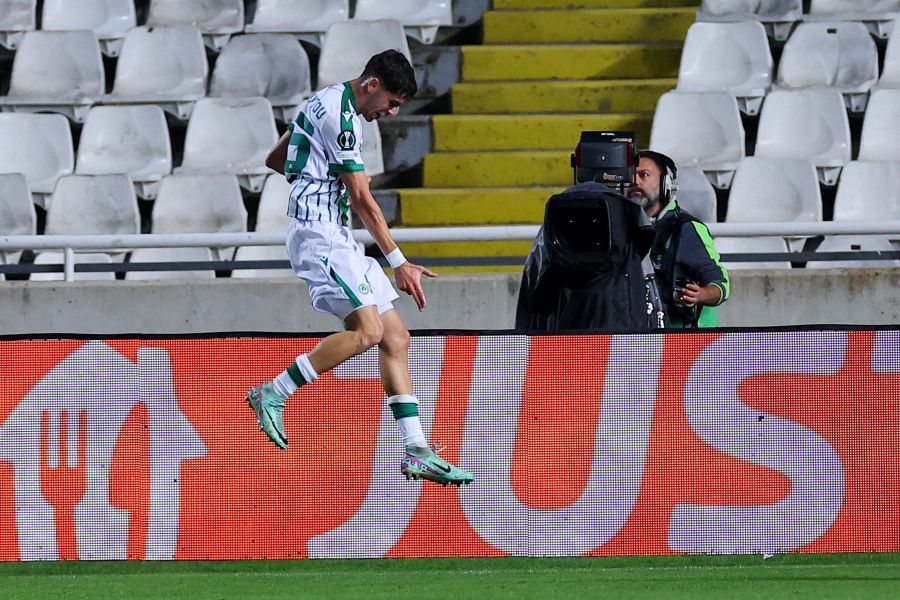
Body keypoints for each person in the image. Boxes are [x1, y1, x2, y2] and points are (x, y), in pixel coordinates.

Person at [245, 50, 473, 487]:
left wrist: (312, 173)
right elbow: (364, 201)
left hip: (335, 234)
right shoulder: (343, 120)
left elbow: (276, 158)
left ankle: (417, 449)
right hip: (320, 235)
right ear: (372, 85)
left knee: (395, 337)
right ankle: (273, 392)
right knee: (368, 331)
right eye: (391, 102)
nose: (391, 113)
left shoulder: (323, 99)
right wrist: (399, 262)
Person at [628, 150, 730, 327]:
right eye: (630, 176)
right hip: (644, 335)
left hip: (690, 338)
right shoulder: (621, 227)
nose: (634, 181)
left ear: (666, 184)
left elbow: (721, 285)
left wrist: (701, 294)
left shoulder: (687, 228)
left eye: (644, 175)